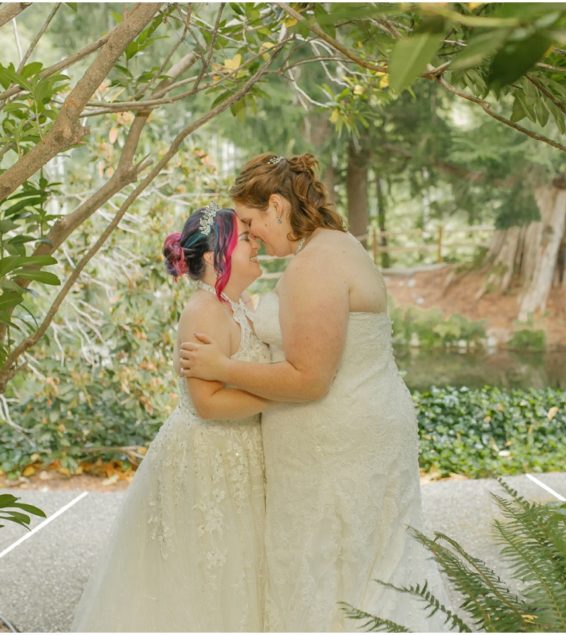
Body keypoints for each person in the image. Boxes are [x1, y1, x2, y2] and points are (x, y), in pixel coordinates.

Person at [181, 154, 449, 631]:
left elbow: (309, 379)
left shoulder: (314, 266)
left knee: (335, 574)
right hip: (354, 431)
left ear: (278, 207)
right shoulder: (334, 247)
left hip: (336, 444)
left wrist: (223, 366)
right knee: (370, 567)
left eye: (249, 221)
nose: (249, 234)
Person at [73, 204, 272, 631]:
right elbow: (207, 403)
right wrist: (280, 395)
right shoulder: (203, 310)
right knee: (205, 575)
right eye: (246, 239)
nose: (256, 243)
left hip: (242, 454)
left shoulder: (244, 305)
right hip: (208, 457)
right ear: (219, 255)